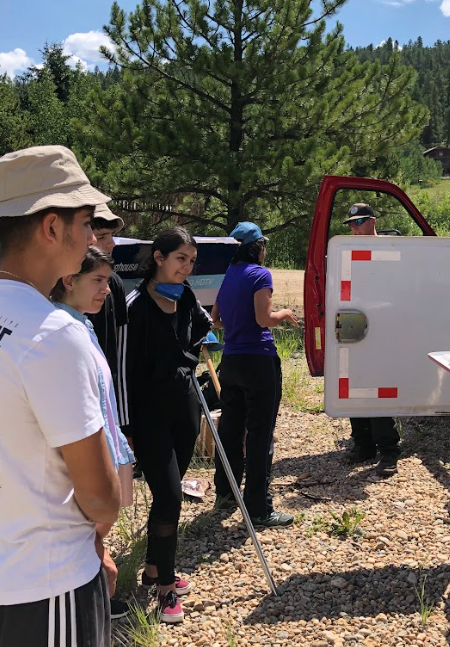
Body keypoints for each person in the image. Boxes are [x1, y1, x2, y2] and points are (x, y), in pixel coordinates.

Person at [0, 145, 119, 647]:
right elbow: (102, 497)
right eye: (85, 221)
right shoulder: (53, 332)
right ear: (51, 228)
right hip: (47, 584)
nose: (91, 236)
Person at [124, 227, 211, 624]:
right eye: (181, 259)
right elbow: (121, 369)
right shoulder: (135, 307)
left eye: (191, 261)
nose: (187, 267)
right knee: (171, 496)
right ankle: (164, 589)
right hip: (149, 415)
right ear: (158, 257)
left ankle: (154, 568)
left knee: (168, 492)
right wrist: (124, 424)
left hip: (185, 407)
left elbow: (194, 339)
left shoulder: (187, 296)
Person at [50, 246, 136, 622]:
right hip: (88, 464)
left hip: (109, 451)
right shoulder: (63, 330)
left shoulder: (82, 323)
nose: (107, 289)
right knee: (100, 566)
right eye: (97, 281)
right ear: (70, 280)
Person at [211, 222, 298, 529]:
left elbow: (216, 320)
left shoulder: (229, 274)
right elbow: (264, 318)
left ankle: (226, 492)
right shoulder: (260, 274)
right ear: (257, 246)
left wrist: (237, 324)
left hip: (231, 360)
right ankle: (259, 508)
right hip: (258, 361)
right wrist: (284, 315)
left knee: (231, 427)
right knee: (261, 433)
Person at [342, 203, 402, 475]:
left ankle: (389, 451)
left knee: (378, 389)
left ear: (372, 221)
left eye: (358, 222)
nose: (354, 228)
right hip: (356, 324)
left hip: (384, 327)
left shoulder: (392, 248)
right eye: (351, 224)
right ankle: (363, 443)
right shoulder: (345, 251)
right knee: (355, 386)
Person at [86, 204, 130, 435]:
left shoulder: (115, 283)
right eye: (101, 236)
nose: (111, 243)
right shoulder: (52, 283)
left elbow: (119, 354)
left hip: (105, 404)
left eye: (112, 236)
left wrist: (122, 422)